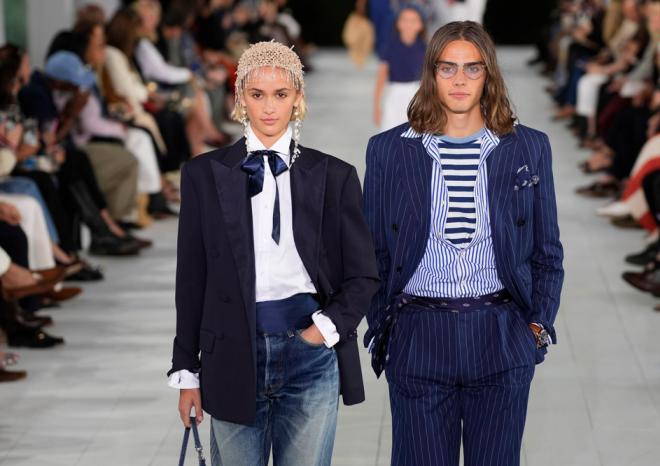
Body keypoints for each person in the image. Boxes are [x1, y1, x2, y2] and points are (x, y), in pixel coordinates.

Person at [168, 41, 379, 466]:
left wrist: (323, 330)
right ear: (239, 96)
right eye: (257, 94)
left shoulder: (333, 176)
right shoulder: (203, 176)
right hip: (230, 353)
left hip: (309, 354)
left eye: (281, 95)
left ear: (298, 98)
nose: (269, 108)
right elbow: (191, 279)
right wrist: (186, 371)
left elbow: (364, 274)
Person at [363, 21, 564, 466]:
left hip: (500, 331)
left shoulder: (529, 147)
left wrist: (535, 330)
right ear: (431, 73)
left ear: (489, 74)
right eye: (448, 68)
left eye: (472, 69)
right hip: (419, 334)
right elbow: (373, 251)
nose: (459, 80)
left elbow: (547, 251)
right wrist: (386, 329)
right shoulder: (389, 151)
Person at [373, 4, 426, 131]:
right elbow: (381, 77)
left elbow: (429, 78)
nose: (408, 24)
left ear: (421, 25)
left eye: (413, 21)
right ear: (397, 23)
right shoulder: (389, 47)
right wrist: (376, 106)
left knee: (415, 135)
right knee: (391, 134)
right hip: (394, 94)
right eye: (404, 20)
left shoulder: (425, 48)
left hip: (417, 94)